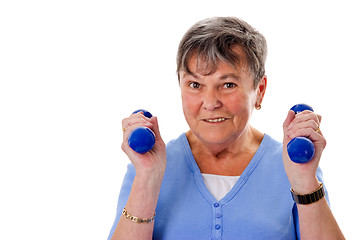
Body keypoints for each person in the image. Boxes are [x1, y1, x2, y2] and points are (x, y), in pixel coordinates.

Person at [108, 17, 345, 239]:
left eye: (228, 84)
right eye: (195, 84)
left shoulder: (294, 165)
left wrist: (305, 184)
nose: (210, 103)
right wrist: (147, 179)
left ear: (259, 90)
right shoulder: (146, 167)